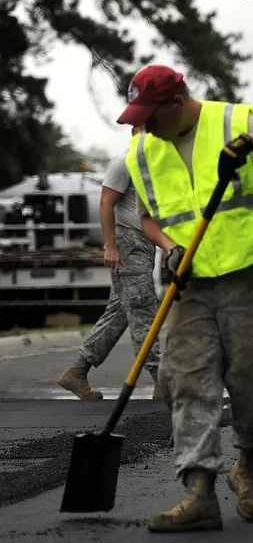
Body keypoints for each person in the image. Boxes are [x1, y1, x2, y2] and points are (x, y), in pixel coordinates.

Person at [116, 63, 253, 532]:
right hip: (192, 284)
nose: (141, 126)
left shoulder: (235, 122)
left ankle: (247, 468)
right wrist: (169, 246)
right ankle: (199, 492)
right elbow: (147, 217)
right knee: (188, 380)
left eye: (148, 115)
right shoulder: (143, 150)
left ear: (176, 104)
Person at [56, 125, 163, 401]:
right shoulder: (124, 161)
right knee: (144, 311)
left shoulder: (149, 166)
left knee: (117, 315)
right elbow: (106, 203)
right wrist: (111, 246)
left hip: (143, 245)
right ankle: (162, 379)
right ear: (136, 130)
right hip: (128, 246)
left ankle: (77, 371)